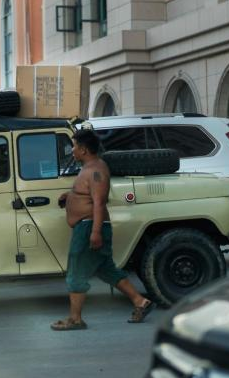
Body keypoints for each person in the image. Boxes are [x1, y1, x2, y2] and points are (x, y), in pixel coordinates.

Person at [51, 129, 155, 331]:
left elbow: (98, 203)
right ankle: (140, 302)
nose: (72, 150)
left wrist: (95, 232)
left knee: (76, 273)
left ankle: (75, 319)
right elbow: (88, 196)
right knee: (106, 269)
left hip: (90, 226)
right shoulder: (89, 168)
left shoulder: (96, 171)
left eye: (73, 146)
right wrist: (70, 196)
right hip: (89, 225)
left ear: (83, 149)